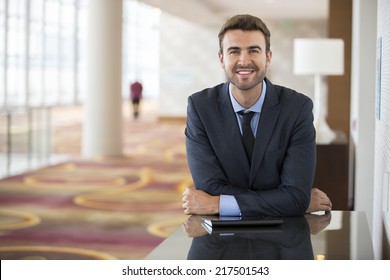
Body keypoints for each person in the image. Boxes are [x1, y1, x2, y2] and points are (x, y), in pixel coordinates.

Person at [182, 14, 332, 217]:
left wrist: (217, 204)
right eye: (234, 51)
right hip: (220, 239)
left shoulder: (297, 108)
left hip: (281, 241)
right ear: (221, 59)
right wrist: (284, 202)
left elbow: (296, 196)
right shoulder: (200, 107)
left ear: (268, 57)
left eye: (253, 50)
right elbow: (209, 187)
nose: (244, 60)